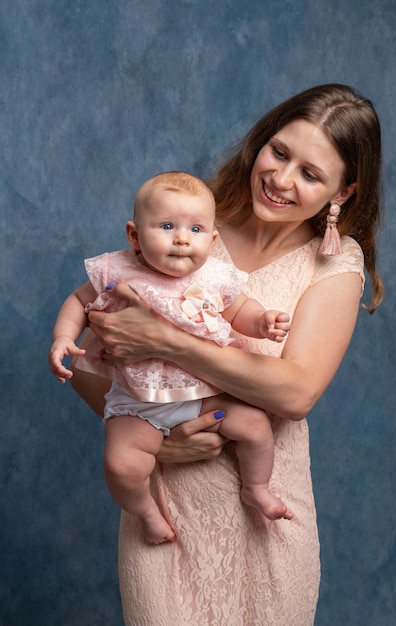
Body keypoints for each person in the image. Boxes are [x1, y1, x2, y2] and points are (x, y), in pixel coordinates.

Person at [70, 84, 384, 625]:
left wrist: (165, 340)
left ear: (344, 193)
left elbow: (296, 392)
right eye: (280, 153)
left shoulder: (333, 265)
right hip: (165, 518)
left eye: (311, 174)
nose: (282, 179)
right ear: (262, 143)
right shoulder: (188, 228)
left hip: (267, 529)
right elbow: (89, 362)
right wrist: (155, 441)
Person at [49, 171, 293, 544]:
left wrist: (261, 322)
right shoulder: (117, 271)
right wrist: (64, 338)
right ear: (134, 235)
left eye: (196, 230)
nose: (182, 238)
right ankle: (146, 511)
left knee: (256, 427)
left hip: (201, 393)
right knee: (122, 465)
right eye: (166, 226)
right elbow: (80, 302)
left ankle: (255, 486)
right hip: (136, 401)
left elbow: (238, 308)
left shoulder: (215, 276)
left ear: (212, 240)